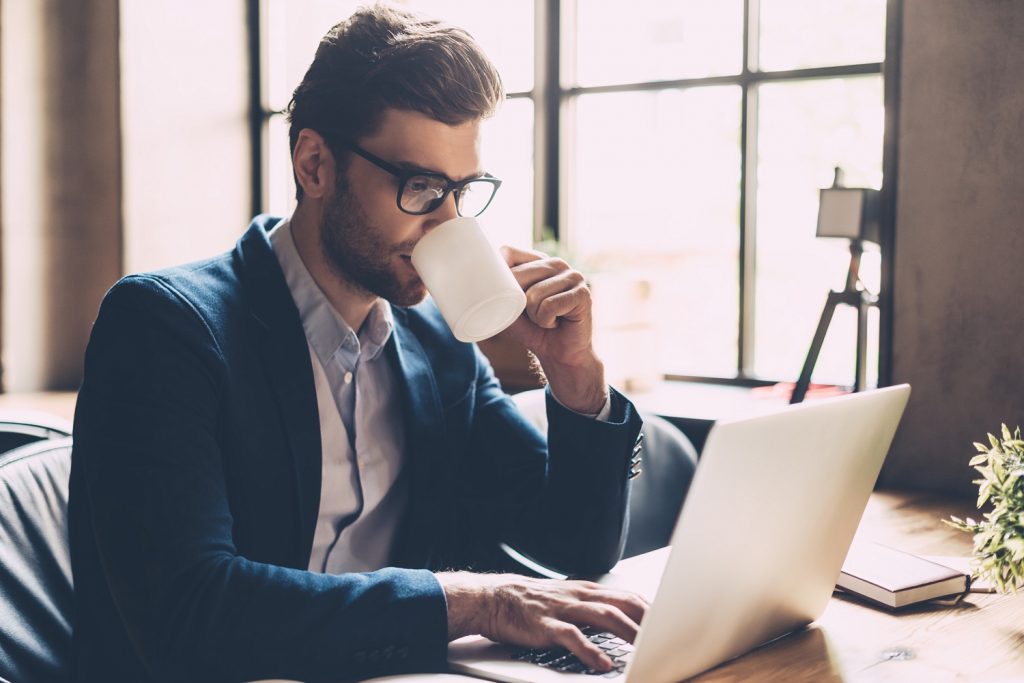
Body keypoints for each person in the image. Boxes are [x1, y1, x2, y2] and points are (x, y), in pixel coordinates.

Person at [68, 5, 647, 682]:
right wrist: (471, 599)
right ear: (316, 164)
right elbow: (190, 614)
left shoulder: (436, 342)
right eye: (422, 188)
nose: (448, 224)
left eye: (463, 191)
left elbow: (575, 541)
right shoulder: (165, 329)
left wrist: (574, 375)